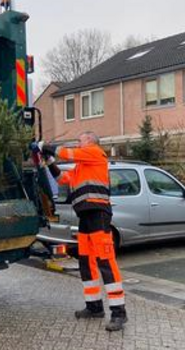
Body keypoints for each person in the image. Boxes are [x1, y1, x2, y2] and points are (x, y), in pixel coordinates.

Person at [36, 131, 128, 332]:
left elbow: (69, 153)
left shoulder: (95, 153)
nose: (78, 143)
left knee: (105, 261)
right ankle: (94, 307)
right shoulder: (82, 167)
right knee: (86, 262)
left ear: (90, 142)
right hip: (86, 217)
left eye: (81, 140)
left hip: (98, 214)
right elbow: (62, 178)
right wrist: (49, 160)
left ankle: (119, 313)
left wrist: (46, 146)